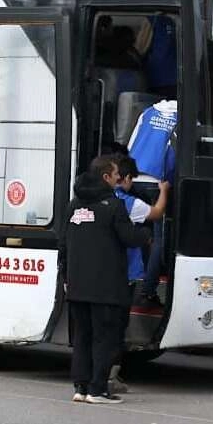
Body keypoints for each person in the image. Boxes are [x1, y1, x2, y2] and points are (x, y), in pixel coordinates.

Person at [58, 155, 150, 405]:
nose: (119, 178)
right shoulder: (112, 205)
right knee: (104, 338)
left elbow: (63, 244)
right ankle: (97, 390)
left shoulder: (74, 204)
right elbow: (129, 237)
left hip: (77, 286)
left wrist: (66, 276)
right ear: (105, 177)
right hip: (106, 288)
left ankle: (81, 387)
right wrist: (146, 234)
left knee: (82, 338)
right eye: (116, 174)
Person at [108, 155, 170, 394]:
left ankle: (96, 377)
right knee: (117, 326)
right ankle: (109, 376)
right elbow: (156, 213)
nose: (132, 182)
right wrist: (163, 191)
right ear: (122, 179)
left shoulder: (89, 201)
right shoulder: (128, 203)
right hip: (126, 273)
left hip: (103, 272)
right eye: (130, 178)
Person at [126, 99, 177, 306]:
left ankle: (129, 282)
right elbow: (175, 154)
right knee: (159, 238)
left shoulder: (147, 112)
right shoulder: (185, 116)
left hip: (135, 177)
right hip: (158, 181)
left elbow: (131, 144)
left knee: (130, 230)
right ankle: (147, 291)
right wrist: (169, 183)